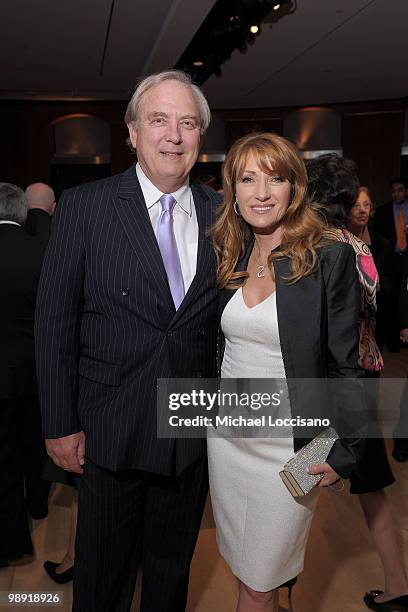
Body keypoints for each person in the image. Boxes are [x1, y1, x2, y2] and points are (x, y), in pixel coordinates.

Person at [35, 70, 222, 612]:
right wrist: (59, 423)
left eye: (187, 123)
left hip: (190, 436)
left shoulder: (223, 213)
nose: (174, 135)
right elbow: (53, 323)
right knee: (101, 581)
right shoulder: (85, 207)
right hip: (105, 433)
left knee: (170, 578)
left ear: (200, 138)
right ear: (133, 133)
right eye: (159, 120)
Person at [208, 133, 365, 612]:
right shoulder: (228, 255)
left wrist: (344, 451)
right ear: (232, 189)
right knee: (245, 569)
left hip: (291, 449)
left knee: (260, 581)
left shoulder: (329, 257)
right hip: (227, 441)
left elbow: (345, 366)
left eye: (275, 178)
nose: (261, 192)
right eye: (248, 178)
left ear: (295, 187)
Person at [306, 154, 408, 612]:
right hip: (362, 380)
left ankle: (270, 588)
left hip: (331, 384)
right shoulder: (359, 247)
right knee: (370, 486)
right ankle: (399, 584)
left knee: (295, 480)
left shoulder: (315, 249)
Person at [0, 182, 53, 567]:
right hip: (35, 371)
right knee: (35, 444)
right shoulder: (40, 252)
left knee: (3, 459)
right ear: (22, 212)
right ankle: (39, 506)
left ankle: (14, 542)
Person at [348, 186, 393, 352]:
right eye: (356, 205)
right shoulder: (339, 243)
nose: (362, 210)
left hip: (373, 323)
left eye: (366, 205)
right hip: (346, 323)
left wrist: (379, 288)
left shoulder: (382, 244)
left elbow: (389, 280)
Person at [373, 178, 408, 351]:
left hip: (407, 259)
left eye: (400, 190)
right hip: (391, 262)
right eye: (394, 190)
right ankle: (392, 340)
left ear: (406, 191)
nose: (397, 193)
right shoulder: (383, 211)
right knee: (391, 301)